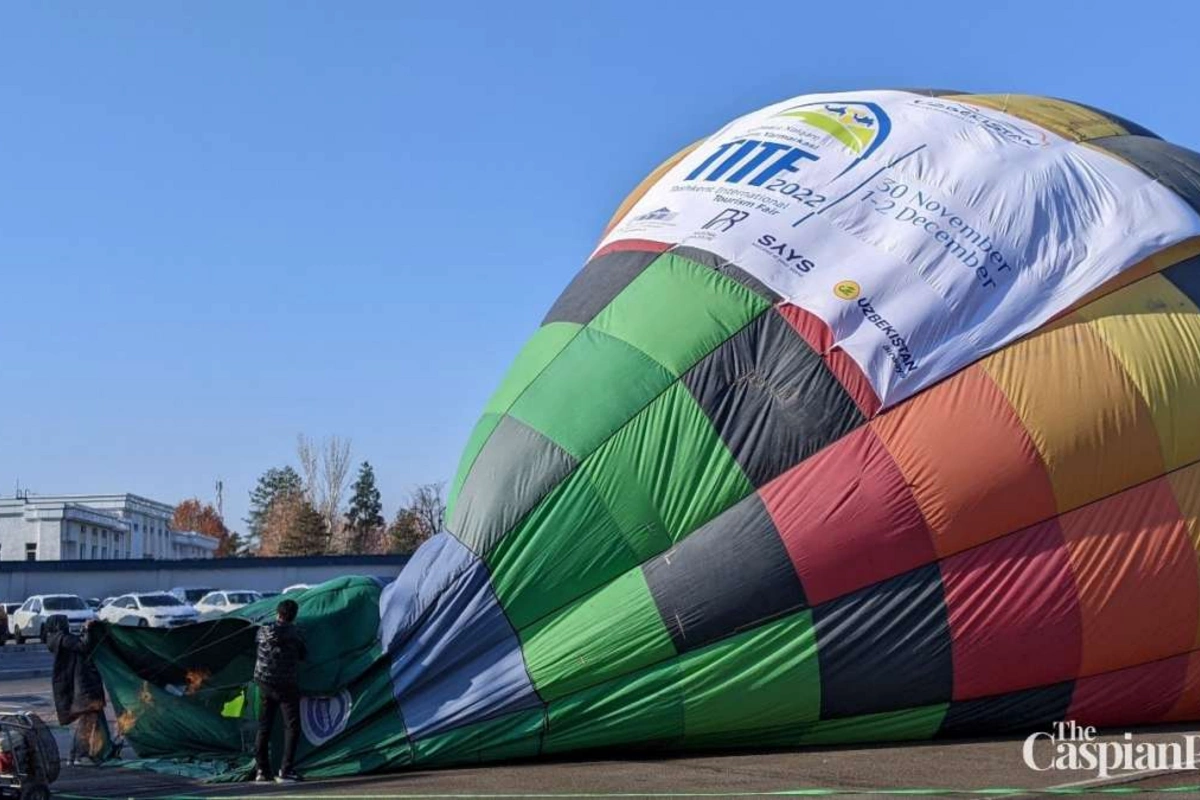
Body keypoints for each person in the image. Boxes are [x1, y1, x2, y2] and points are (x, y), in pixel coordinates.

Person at [46, 615, 119, 764]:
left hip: (83, 685)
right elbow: (83, 645)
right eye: (64, 622)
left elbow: (79, 644)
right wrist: (87, 629)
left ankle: (86, 753)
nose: (67, 624)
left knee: (95, 720)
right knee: (88, 721)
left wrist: (85, 630)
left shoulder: (60, 639)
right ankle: (80, 755)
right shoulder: (63, 639)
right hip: (84, 687)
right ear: (59, 625)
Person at [253, 598, 307, 783]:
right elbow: (303, 656)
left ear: (278, 613)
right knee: (291, 727)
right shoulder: (296, 634)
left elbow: (258, 640)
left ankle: (261, 770)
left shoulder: (263, 630)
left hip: (263, 683)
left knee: (264, 726)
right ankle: (286, 770)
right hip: (286, 686)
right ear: (294, 616)